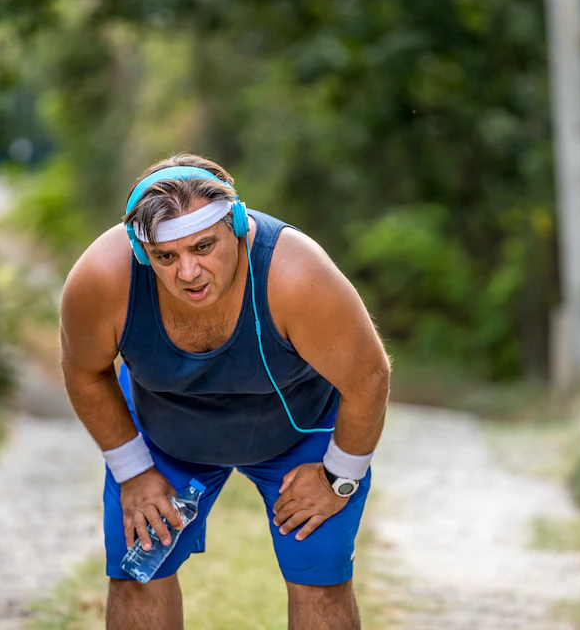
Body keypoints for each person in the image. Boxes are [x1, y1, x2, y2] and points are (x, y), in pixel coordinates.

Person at [59, 153, 391, 630]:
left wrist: (339, 476)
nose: (188, 272)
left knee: (321, 580)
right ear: (140, 251)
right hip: (164, 433)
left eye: (203, 247)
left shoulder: (295, 274)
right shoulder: (102, 280)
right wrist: (132, 471)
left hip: (300, 431)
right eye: (166, 257)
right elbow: (84, 371)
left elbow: (369, 377)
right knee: (137, 572)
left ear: (235, 225)